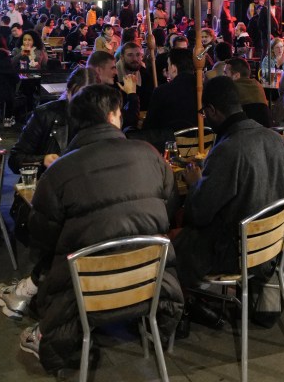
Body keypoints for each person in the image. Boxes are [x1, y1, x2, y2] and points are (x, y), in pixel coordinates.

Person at [15, 84, 183, 371]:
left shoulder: (58, 172)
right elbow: (169, 209)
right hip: (150, 286)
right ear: (113, 116)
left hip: (85, 294)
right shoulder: (150, 155)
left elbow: (42, 236)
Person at [173, 76, 284, 288]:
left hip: (237, 253)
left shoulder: (228, 150)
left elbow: (200, 214)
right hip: (274, 246)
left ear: (212, 110)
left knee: (172, 240)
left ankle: (186, 306)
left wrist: (195, 183)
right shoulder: (277, 140)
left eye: (204, 113)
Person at [143, 48, 198, 134]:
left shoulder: (162, 91)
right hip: (206, 143)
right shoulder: (204, 88)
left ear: (173, 68)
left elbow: (149, 127)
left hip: (171, 144)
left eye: (168, 65)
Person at [224, 56, 273, 127]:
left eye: (225, 73)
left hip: (244, 132)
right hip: (267, 131)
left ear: (236, 76)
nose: (223, 75)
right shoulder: (257, 84)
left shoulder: (231, 88)